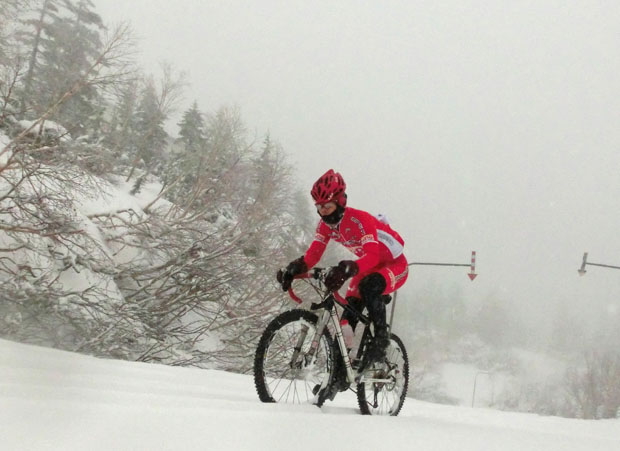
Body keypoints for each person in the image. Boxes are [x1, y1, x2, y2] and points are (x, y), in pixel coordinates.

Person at [277, 169, 409, 395]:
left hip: (393, 266)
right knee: (347, 317)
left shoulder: (360, 220)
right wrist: (294, 268)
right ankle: (339, 378)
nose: (323, 213)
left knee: (369, 287)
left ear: (340, 202)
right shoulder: (325, 226)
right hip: (367, 266)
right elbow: (313, 255)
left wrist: (348, 268)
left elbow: (374, 256)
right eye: (318, 208)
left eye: (327, 207)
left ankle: (380, 341)